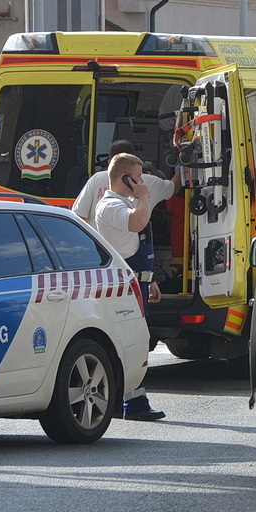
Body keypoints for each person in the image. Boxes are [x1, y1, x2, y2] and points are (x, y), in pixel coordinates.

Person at [92, 153, 171, 422]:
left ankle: (124, 401)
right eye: (137, 177)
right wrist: (144, 197)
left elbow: (133, 244)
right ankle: (134, 403)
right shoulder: (111, 205)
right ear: (124, 178)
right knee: (131, 343)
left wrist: (150, 279)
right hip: (123, 289)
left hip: (137, 283)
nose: (142, 182)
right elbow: (137, 222)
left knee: (133, 342)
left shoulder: (125, 203)